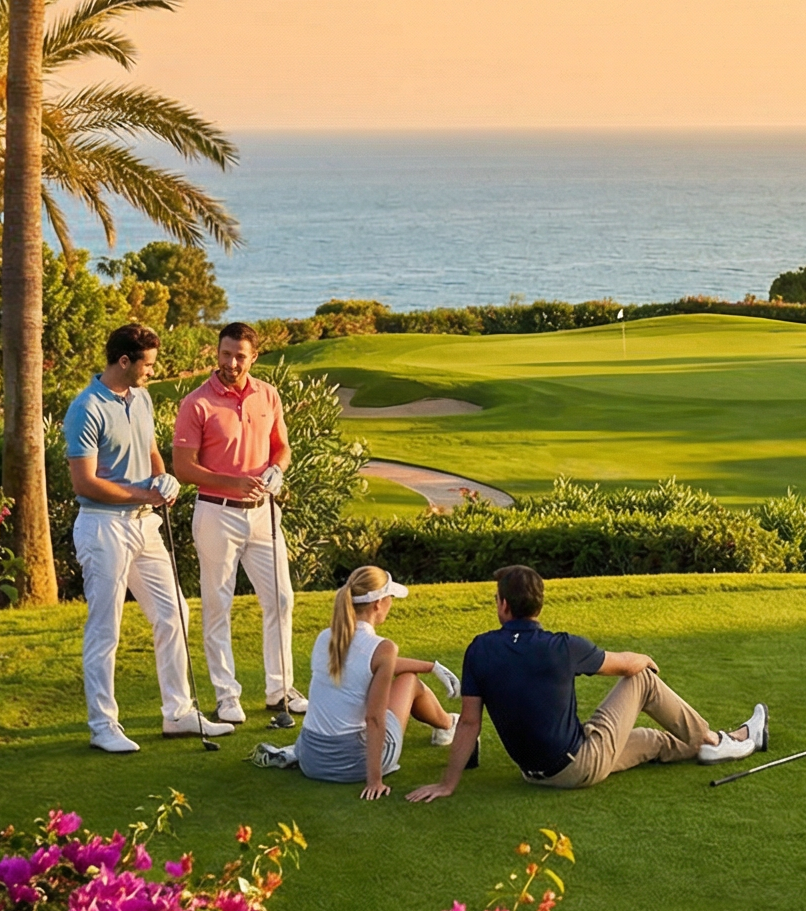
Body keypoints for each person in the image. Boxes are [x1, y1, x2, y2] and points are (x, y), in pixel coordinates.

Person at [405, 564, 765, 801]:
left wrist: (447, 784)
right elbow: (626, 666)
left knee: (652, 742)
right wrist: (645, 660)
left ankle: (716, 742)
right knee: (642, 680)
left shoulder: (479, 649)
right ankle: (715, 741)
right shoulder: (561, 646)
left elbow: (469, 722)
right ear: (538, 606)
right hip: (580, 763)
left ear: (503, 606)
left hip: (536, 774)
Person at [66, 323, 230, 753]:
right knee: (107, 628)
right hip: (104, 527)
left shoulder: (140, 397)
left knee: (173, 612)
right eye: (148, 365)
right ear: (124, 361)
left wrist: (164, 479)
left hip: (144, 525)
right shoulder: (86, 409)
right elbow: (84, 482)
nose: (152, 372)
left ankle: (177, 713)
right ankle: (103, 725)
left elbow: (151, 446)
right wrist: (145, 492)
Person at [169, 322, 304, 727]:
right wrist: (234, 482)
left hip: (264, 514)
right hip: (216, 513)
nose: (230, 363)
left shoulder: (268, 395)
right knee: (217, 607)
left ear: (253, 357)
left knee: (281, 600)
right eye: (225, 354)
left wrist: (278, 470)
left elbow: (282, 448)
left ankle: (280, 688)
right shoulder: (197, 403)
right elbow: (183, 467)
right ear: (218, 352)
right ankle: (227, 696)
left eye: (239, 356)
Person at [298, 566, 460, 798]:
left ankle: (446, 725)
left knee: (405, 676)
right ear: (378, 604)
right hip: (353, 766)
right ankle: (447, 725)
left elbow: (369, 662)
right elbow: (374, 718)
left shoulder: (326, 637)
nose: (391, 604)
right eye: (390, 598)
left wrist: (431, 666)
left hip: (310, 760)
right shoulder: (383, 648)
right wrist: (375, 780)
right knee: (409, 681)